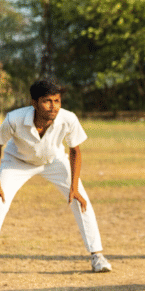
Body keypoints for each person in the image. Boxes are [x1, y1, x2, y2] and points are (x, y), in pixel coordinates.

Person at [0, 80, 112, 272]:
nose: (54, 106)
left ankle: (97, 256)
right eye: (47, 101)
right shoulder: (14, 119)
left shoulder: (68, 119)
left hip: (54, 161)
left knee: (80, 200)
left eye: (57, 101)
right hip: (17, 162)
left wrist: (74, 187)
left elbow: (75, 151)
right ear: (34, 103)